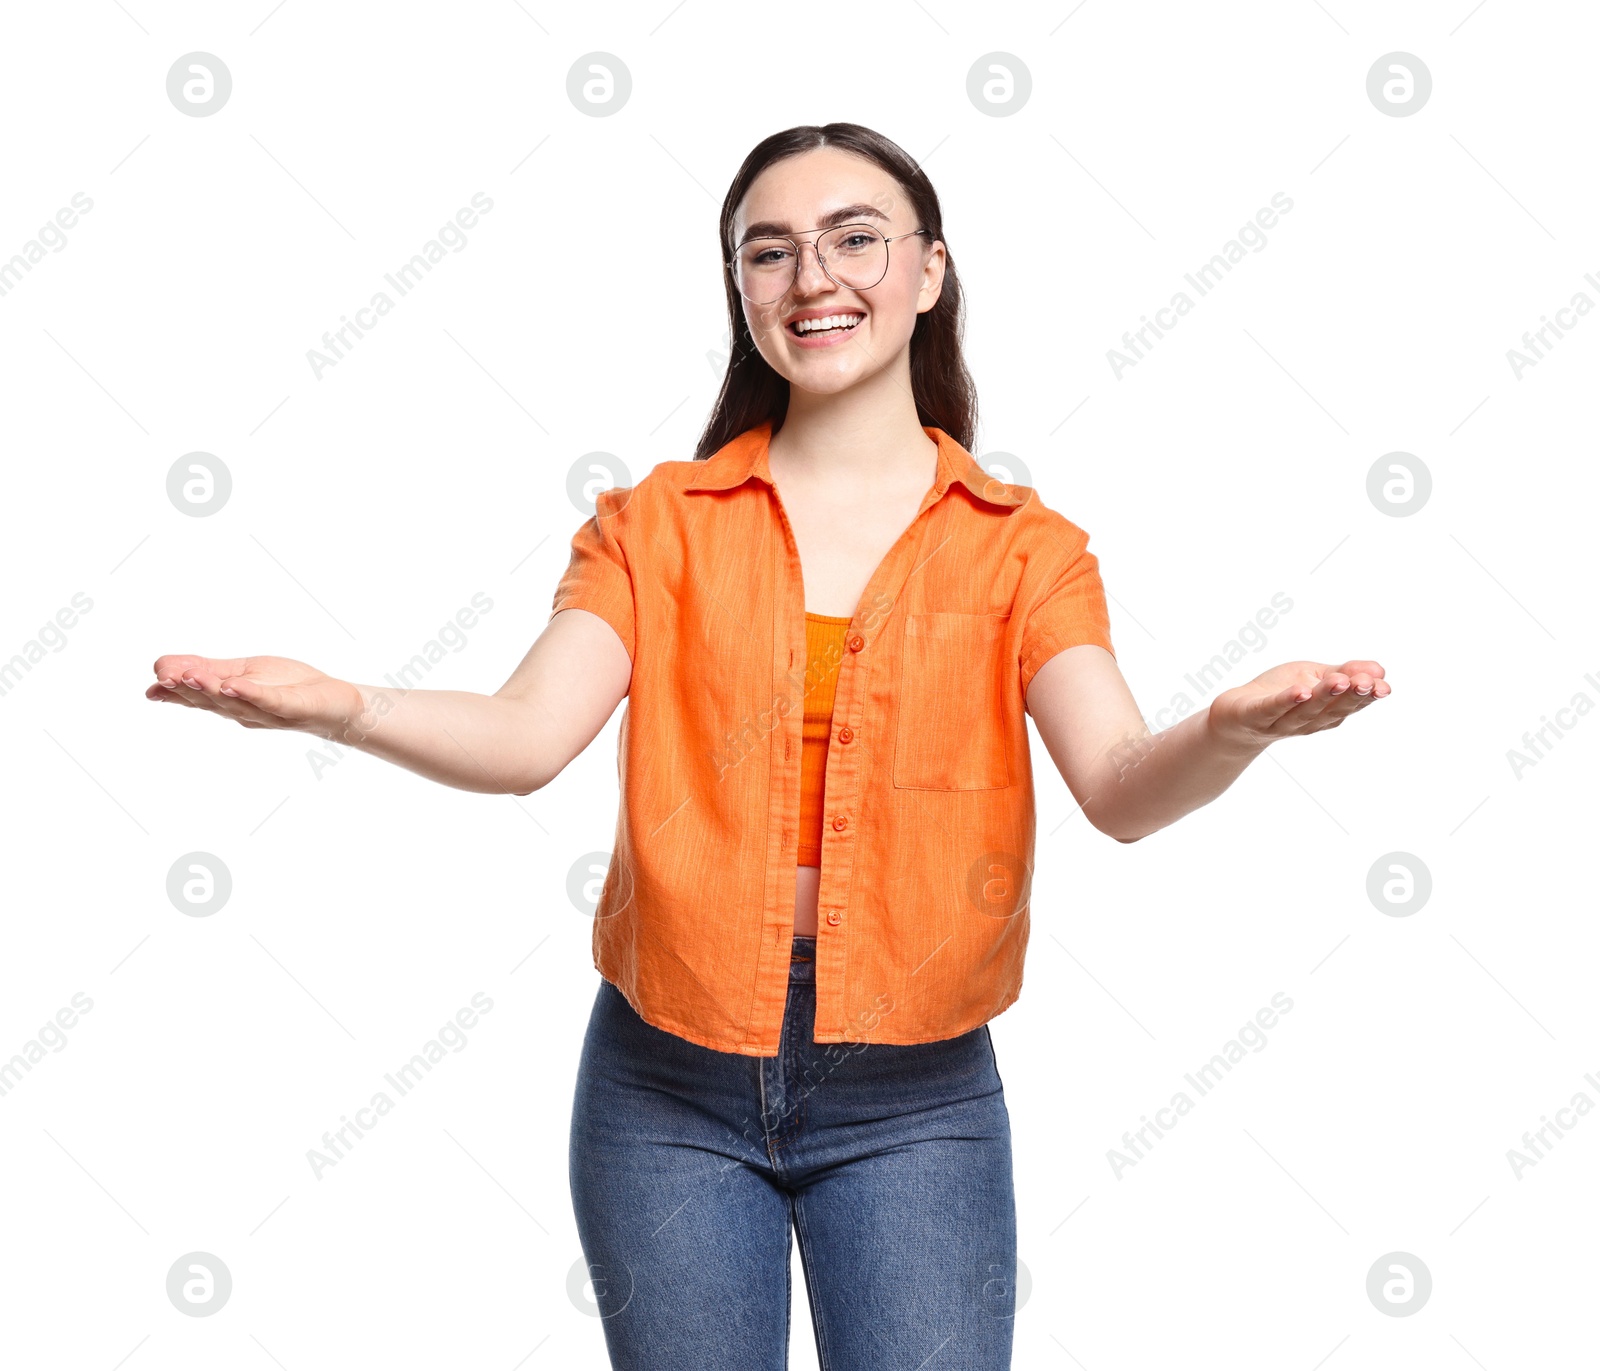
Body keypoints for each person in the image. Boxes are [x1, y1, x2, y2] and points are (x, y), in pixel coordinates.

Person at [146, 122, 1390, 1370]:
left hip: (919, 1099)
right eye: (769, 252)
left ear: (930, 270)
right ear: (739, 290)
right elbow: (527, 736)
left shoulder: (1024, 549)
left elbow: (1119, 787)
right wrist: (343, 706)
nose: (815, 279)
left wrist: (1229, 734)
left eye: (856, 239)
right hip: (662, 1087)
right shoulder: (655, 529)